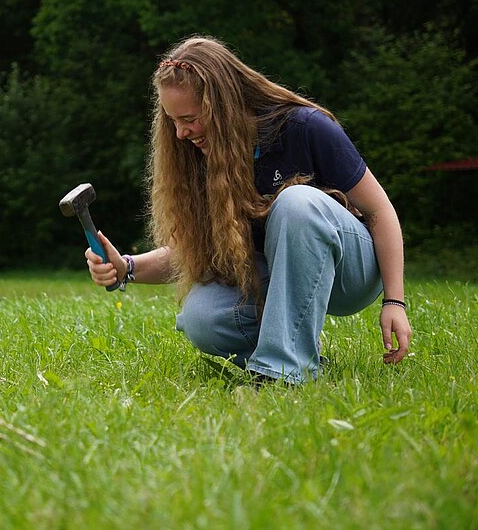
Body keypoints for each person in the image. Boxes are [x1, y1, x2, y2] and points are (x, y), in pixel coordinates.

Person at [85, 35, 412, 385]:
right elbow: (190, 250)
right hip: (280, 276)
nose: (181, 133)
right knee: (202, 317)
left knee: (295, 202)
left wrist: (394, 301)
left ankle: (280, 374)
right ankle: (304, 362)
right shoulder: (199, 155)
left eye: (190, 118)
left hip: (352, 272)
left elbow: (380, 212)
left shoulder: (304, 127)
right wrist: (127, 268)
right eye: (173, 121)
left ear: (222, 104)